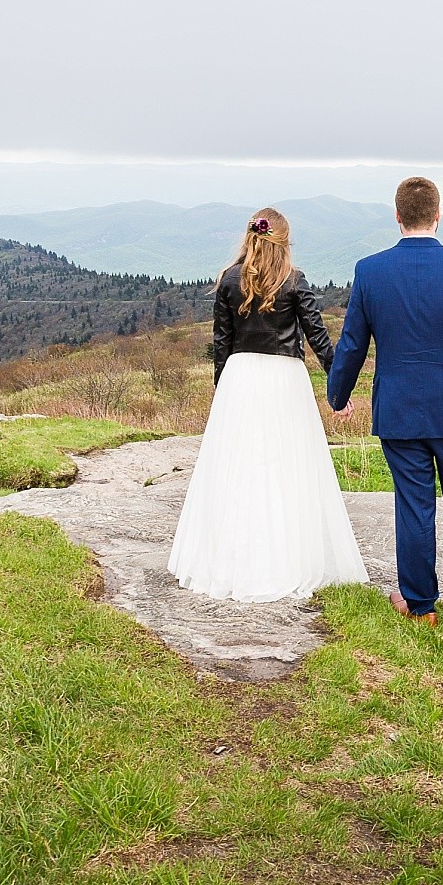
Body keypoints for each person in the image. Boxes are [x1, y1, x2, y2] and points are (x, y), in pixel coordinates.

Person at [326, 177, 443, 632]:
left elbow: (352, 345)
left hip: (399, 410)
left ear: (398, 215)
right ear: (439, 215)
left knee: (414, 504)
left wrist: (338, 394)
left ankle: (420, 605)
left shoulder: (370, 271)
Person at [168, 207, 368, 602]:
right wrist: (338, 388)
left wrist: (221, 390)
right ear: (284, 240)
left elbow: (221, 343)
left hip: (240, 378)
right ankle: (288, 558)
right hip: (284, 379)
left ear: (249, 237)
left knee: (237, 468)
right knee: (287, 465)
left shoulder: (227, 280)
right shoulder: (294, 281)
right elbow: (319, 339)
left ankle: (231, 559)